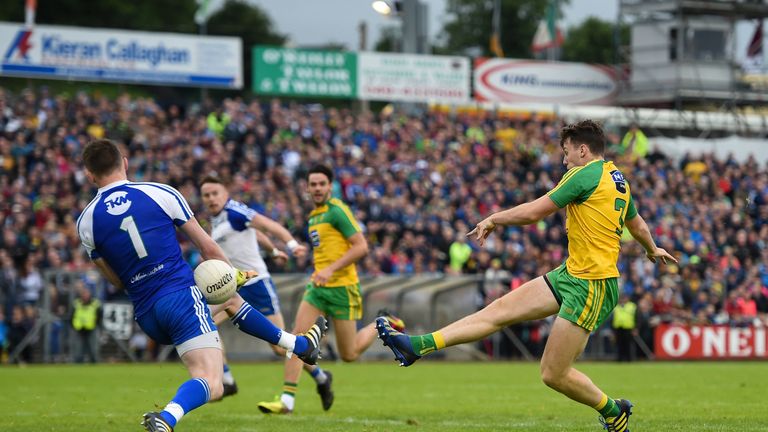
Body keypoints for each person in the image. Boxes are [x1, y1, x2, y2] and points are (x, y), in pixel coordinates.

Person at [376, 120, 677, 432]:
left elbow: (535, 212)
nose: (565, 159)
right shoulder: (617, 179)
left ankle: (614, 410)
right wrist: (652, 248)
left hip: (592, 283)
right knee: (497, 312)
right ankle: (417, 346)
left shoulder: (584, 174)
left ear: (583, 150)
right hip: (573, 273)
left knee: (552, 373)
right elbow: (637, 222)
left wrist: (495, 218)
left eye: (567, 152)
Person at [75, 139, 327, 431]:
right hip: (181, 300)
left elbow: (116, 279)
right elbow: (208, 247)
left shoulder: (86, 221)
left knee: (231, 300)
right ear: (125, 162)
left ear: (90, 174)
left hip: (147, 314)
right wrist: (231, 275)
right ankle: (166, 418)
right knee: (212, 381)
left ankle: (299, 344)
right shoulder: (160, 193)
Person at [257, 164, 404, 415]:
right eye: (312, 184)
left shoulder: (337, 211)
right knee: (296, 338)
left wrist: (330, 270)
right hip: (318, 287)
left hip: (343, 289)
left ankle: (384, 320)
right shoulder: (314, 216)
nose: (316, 188)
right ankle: (287, 401)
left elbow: (361, 247)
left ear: (330, 186)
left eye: (321, 184)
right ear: (307, 187)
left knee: (349, 354)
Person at [199, 176, 335, 410]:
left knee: (281, 347)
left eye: (215, 193)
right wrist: (271, 250)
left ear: (225, 194)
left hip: (257, 285)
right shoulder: (218, 221)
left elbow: (266, 226)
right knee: (203, 323)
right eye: (206, 195)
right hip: (233, 288)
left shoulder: (235, 211)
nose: (211, 198)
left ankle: (322, 378)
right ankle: (227, 379)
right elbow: (256, 234)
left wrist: (289, 245)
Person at [71, 286, 102, 363]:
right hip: (78, 329)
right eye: (83, 294)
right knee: (78, 350)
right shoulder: (76, 303)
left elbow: (99, 315)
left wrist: (96, 324)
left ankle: (94, 363)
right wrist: (73, 325)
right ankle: (78, 364)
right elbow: (71, 316)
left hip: (91, 328)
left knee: (93, 350)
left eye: (86, 293)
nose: (85, 295)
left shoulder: (95, 303)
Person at [612, 293, 637, 362]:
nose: (622, 300)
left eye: (624, 298)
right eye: (621, 298)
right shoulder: (616, 307)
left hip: (628, 328)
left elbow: (637, 317)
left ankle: (629, 359)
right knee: (619, 344)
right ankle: (620, 359)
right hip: (618, 328)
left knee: (628, 345)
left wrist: (636, 328)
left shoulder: (632, 306)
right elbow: (612, 319)